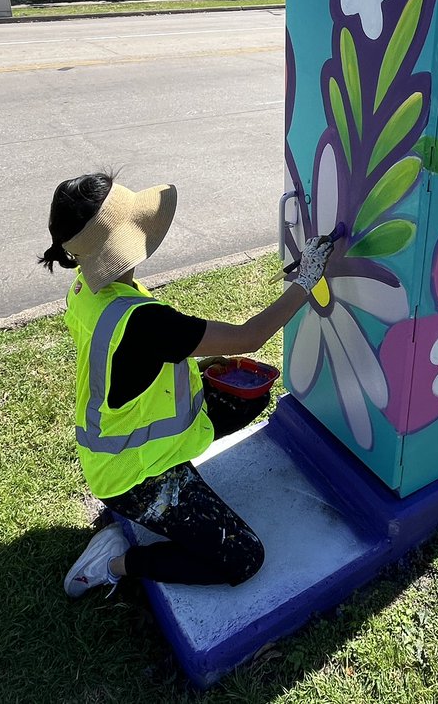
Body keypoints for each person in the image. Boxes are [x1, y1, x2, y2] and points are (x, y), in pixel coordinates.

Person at [39, 173, 332, 597]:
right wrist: (305, 281)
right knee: (244, 557)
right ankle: (113, 564)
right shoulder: (144, 323)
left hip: (122, 442)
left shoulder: (87, 287)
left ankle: (174, 483)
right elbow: (249, 335)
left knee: (247, 397)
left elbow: (133, 356)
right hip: (132, 475)